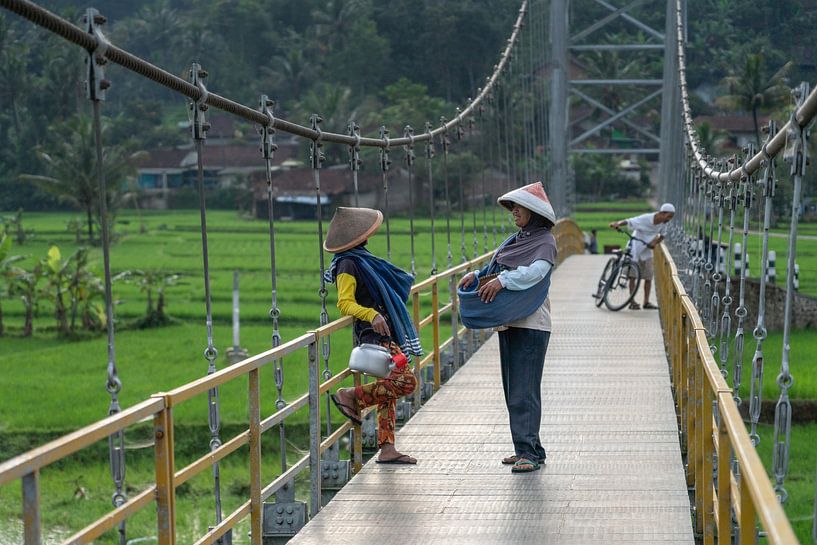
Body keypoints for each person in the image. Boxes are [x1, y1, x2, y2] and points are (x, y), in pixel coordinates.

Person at [458, 181, 557, 473]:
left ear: (534, 212)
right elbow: (499, 268)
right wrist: (478, 274)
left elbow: (535, 272)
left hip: (531, 322)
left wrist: (502, 282)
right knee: (513, 386)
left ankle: (528, 451)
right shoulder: (518, 239)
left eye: (519, 208)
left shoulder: (544, 242)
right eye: (512, 208)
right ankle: (529, 448)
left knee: (524, 389)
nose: (514, 212)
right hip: (511, 320)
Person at [323, 207, 421, 464]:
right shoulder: (347, 264)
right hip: (374, 337)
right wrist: (371, 315)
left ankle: (387, 448)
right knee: (406, 382)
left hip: (387, 336)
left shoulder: (363, 260)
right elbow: (344, 303)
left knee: (388, 391)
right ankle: (349, 395)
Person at [608, 203, 675, 310]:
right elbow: (630, 221)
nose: (669, 219)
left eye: (671, 217)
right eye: (669, 216)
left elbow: (663, 235)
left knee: (648, 277)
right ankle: (632, 301)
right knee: (633, 276)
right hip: (636, 248)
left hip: (647, 251)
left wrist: (655, 242)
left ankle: (646, 302)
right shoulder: (646, 218)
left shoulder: (663, 223)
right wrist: (618, 224)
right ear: (662, 213)